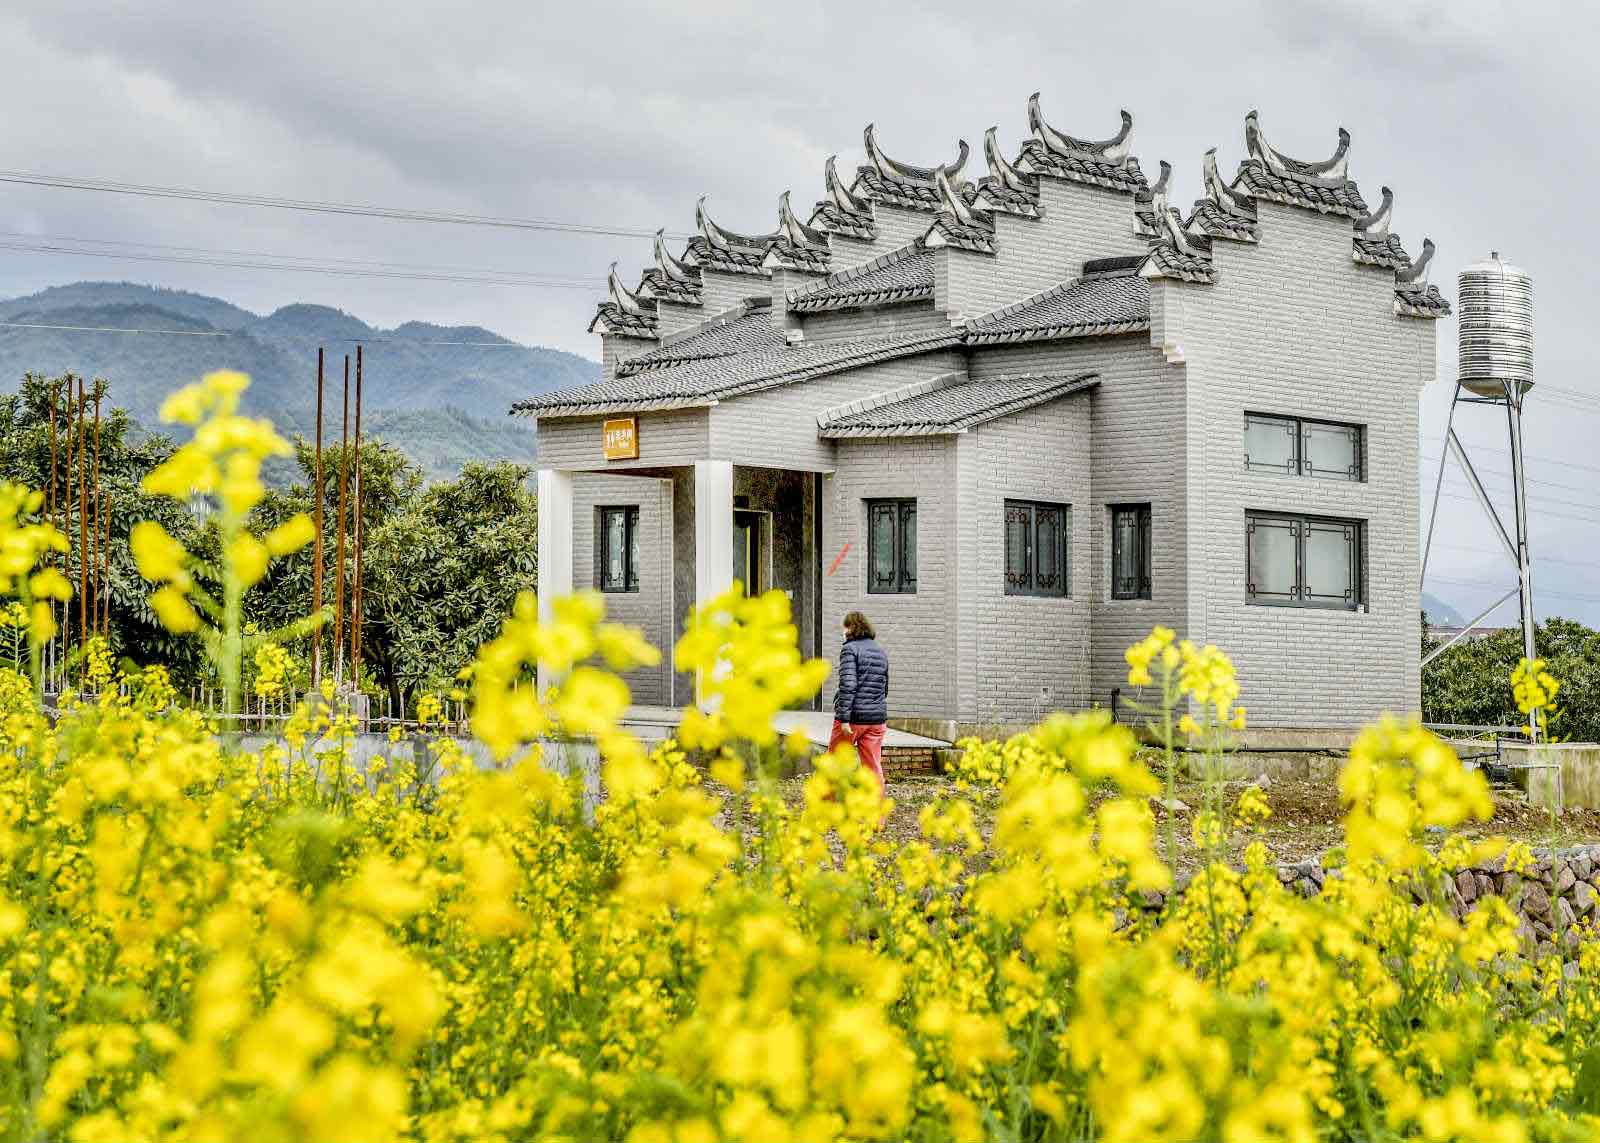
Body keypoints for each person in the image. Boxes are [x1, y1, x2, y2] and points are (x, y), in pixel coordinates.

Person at [829, 610, 889, 794]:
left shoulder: (850, 649)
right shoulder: (880, 650)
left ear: (851, 628)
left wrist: (844, 719)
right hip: (876, 720)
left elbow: (848, 685)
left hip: (853, 718)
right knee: (872, 767)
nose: (842, 632)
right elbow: (884, 687)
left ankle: (825, 807)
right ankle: (877, 810)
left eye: (844, 627)